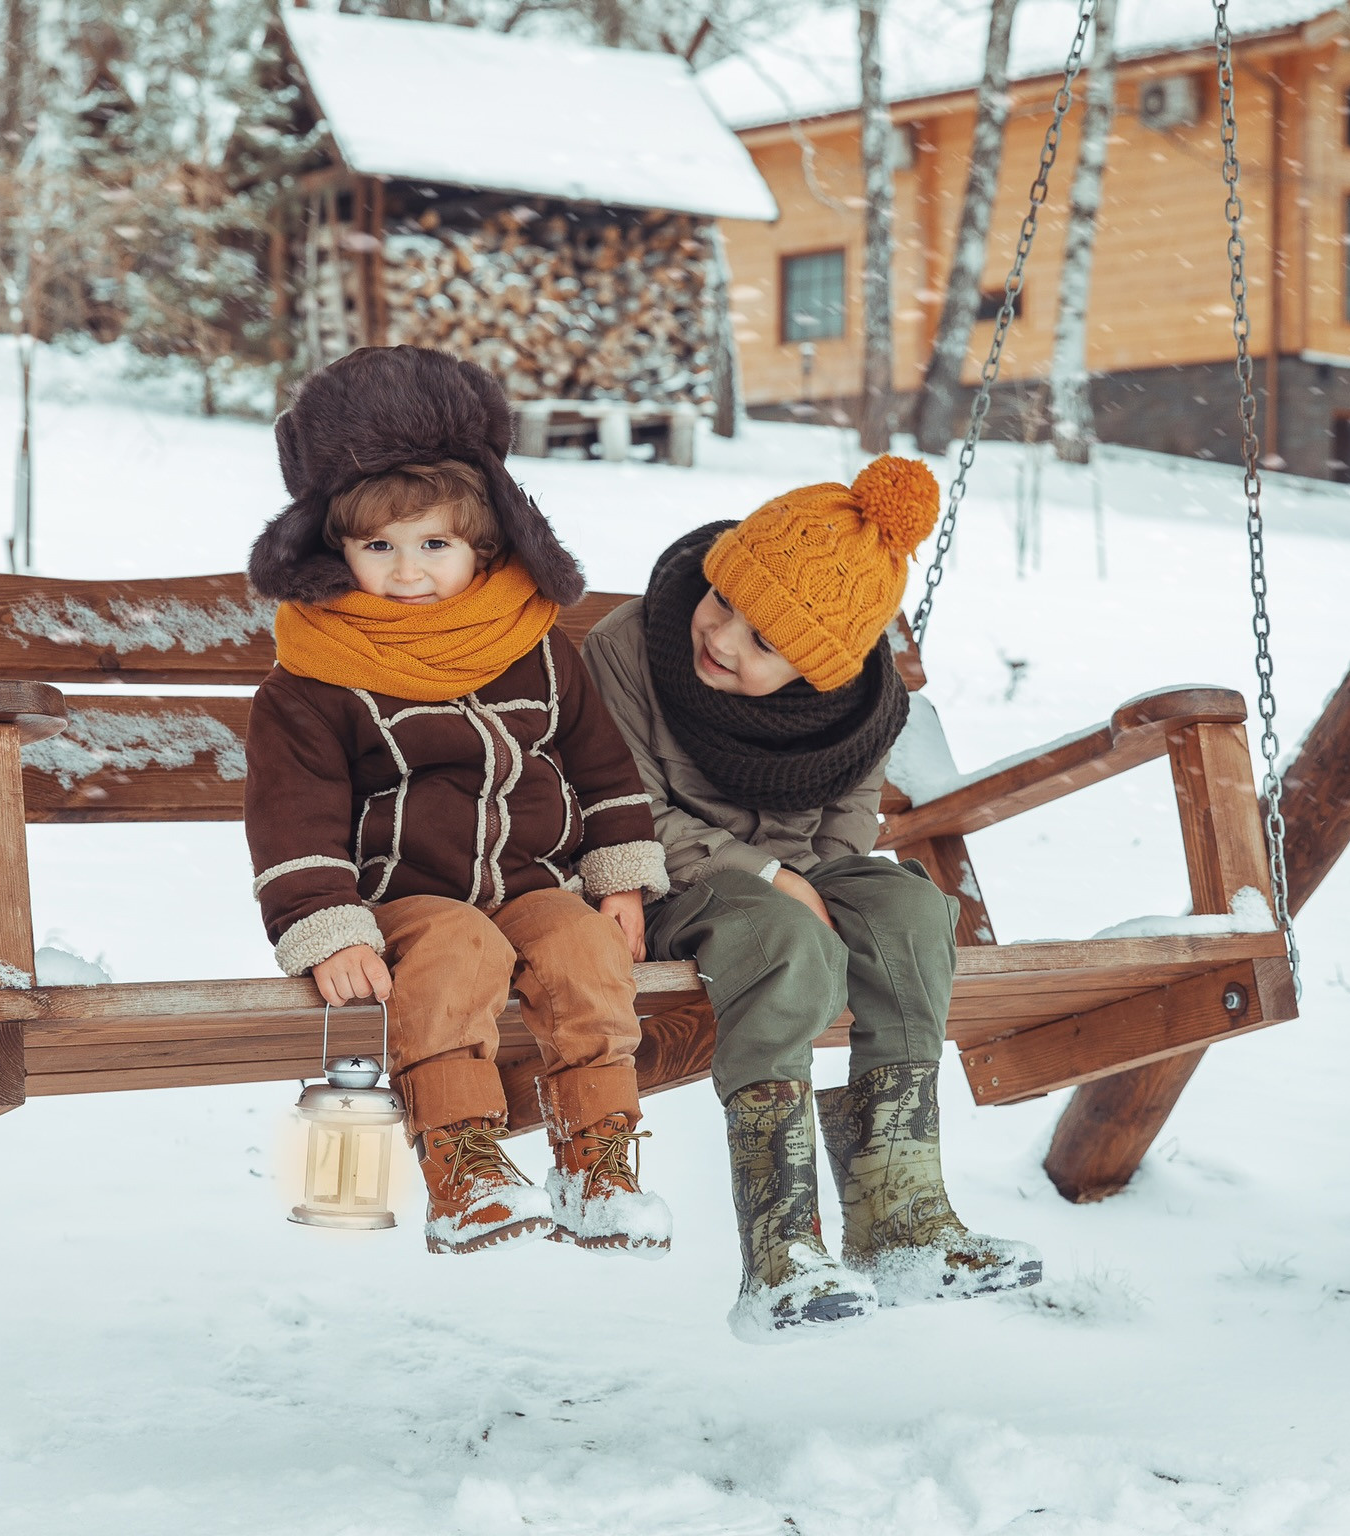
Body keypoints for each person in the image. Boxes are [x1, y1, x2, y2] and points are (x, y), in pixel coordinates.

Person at [584, 456, 1042, 1339]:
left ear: (819, 671)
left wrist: (828, 882)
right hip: (672, 887)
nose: (722, 638)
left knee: (910, 912)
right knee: (784, 939)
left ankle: (901, 1218)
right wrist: (775, 879)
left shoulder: (861, 708)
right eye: (725, 605)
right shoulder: (628, 649)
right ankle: (782, 1251)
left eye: (764, 644)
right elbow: (625, 808)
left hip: (795, 885)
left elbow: (852, 810)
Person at [244, 345, 670, 1258]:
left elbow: (600, 768)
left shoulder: (537, 645)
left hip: (532, 880)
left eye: (433, 544)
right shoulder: (316, 675)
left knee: (584, 952)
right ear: (336, 550)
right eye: (378, 547)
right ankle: (464, 1165)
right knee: (458, 948)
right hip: (407, 896)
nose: (407, 571)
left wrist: (621, 878)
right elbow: (294, 812)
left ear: (480, 545)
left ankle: (600, 1159)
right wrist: (329, 923)